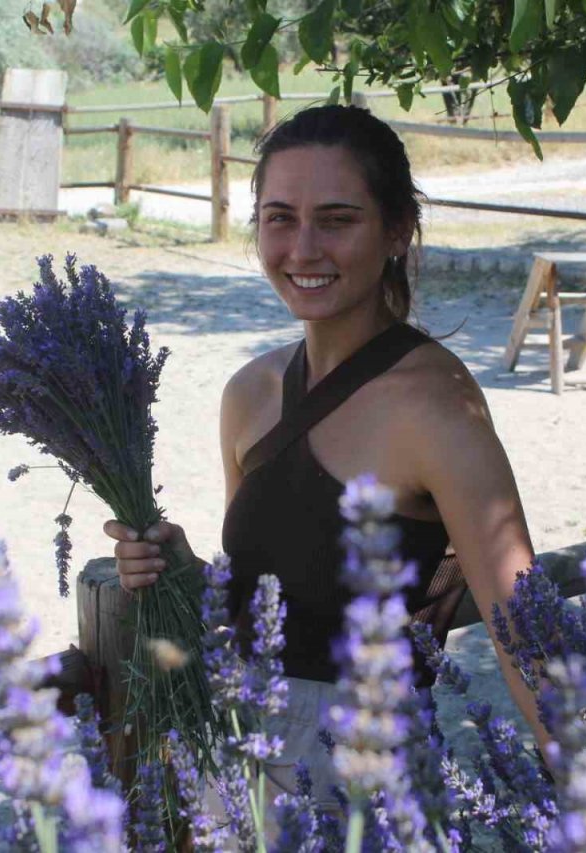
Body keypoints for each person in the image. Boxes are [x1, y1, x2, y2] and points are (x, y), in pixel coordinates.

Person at [103, 104, 542, 816]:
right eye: (280, 218)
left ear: (397, 230)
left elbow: (528, 632)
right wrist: (184, 575)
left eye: (337, 220)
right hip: (235, 762)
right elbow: (278, 595)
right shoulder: (249, 393)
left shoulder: (437, 408)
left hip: (362, 788)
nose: (303, 249)